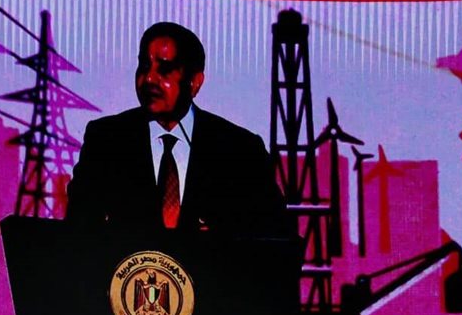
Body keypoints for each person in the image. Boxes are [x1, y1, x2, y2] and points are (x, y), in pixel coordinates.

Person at [65, 22, 293, 238]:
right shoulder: (106, 141)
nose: (149, 78)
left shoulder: (240, 150)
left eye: (165, 69)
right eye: (144, 66)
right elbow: (77, 235)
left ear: (195, 82)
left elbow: (277, 241)